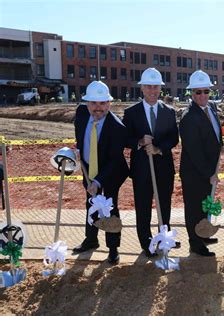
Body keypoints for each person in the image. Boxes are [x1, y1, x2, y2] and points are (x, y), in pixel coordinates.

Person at [122, 68, 179, 257]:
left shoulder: (169, 112)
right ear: (142, 88)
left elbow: (173, 138)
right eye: (149, 87)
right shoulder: (131, 113)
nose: (153, 90)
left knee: (164, 205)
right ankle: (146, 243)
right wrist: (139, 142)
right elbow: (124, 138)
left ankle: (164, 237)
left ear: (160, 88)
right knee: (143, 206)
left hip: (164, 168)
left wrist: (158, 148)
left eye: (156, 87)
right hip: (141, 170)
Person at [73, 81, 129, 264]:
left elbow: (114, 160)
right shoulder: (81, 114)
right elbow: (80, 137)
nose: (98, 108)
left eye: (103, 103)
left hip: (112, 172)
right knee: (91, 204)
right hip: (89, 169)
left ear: (109, 104)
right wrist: (79, 150)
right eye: (94, 103)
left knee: (109, 207)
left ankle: (113, 249)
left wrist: (98, 182)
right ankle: (91, 240)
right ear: (87, 103)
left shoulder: (117, 127)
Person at [179, 70, 222, 257]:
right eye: (198, 92)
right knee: (195, 208)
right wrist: (209, 173)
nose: (203, 95)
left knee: (205, 205)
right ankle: (195, 243)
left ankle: (203, 233)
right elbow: (194, 152)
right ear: (191, 93)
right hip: (195, 173)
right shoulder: (189, 117)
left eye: (206, 91)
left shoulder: (210, 109)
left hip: (208, 171)